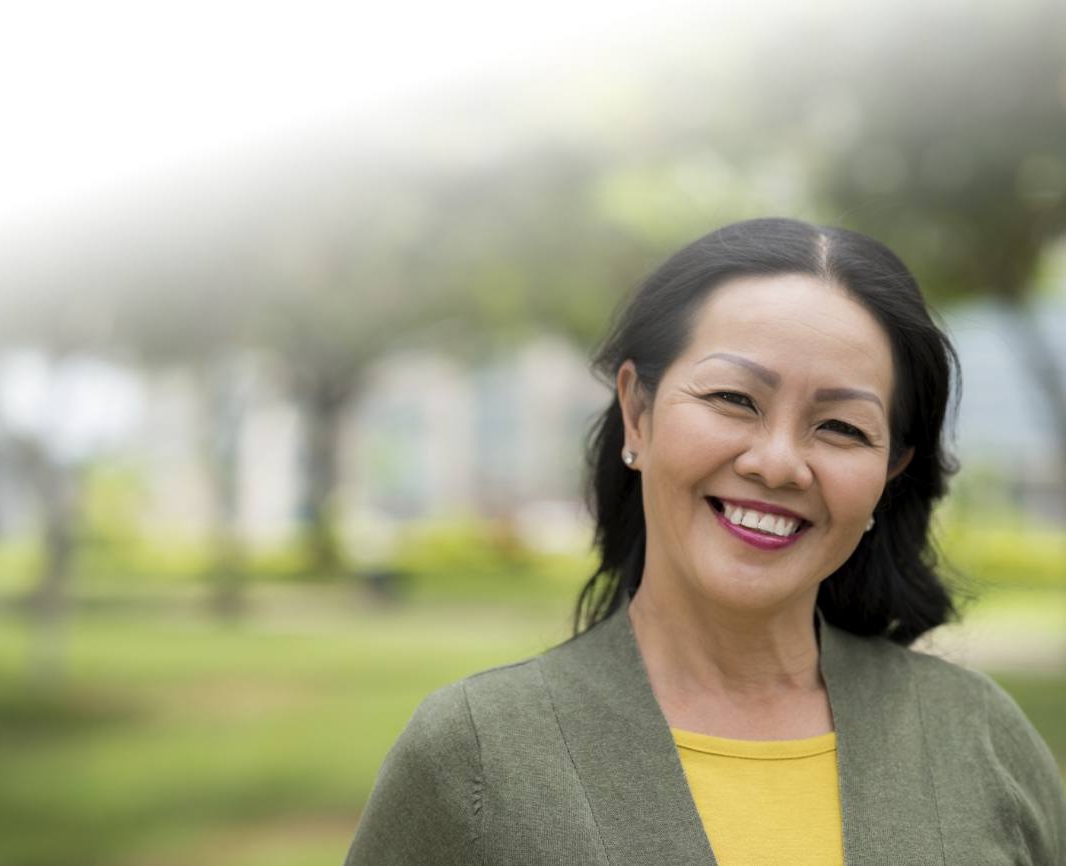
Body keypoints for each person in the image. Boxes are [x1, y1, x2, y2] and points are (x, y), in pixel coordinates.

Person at [343, 217, 1066, 865]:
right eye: (733, 400)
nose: (778, 462)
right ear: (637, 411)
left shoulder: (979, 739)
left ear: (890, 474)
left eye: (842, 427)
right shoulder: (475, 757)